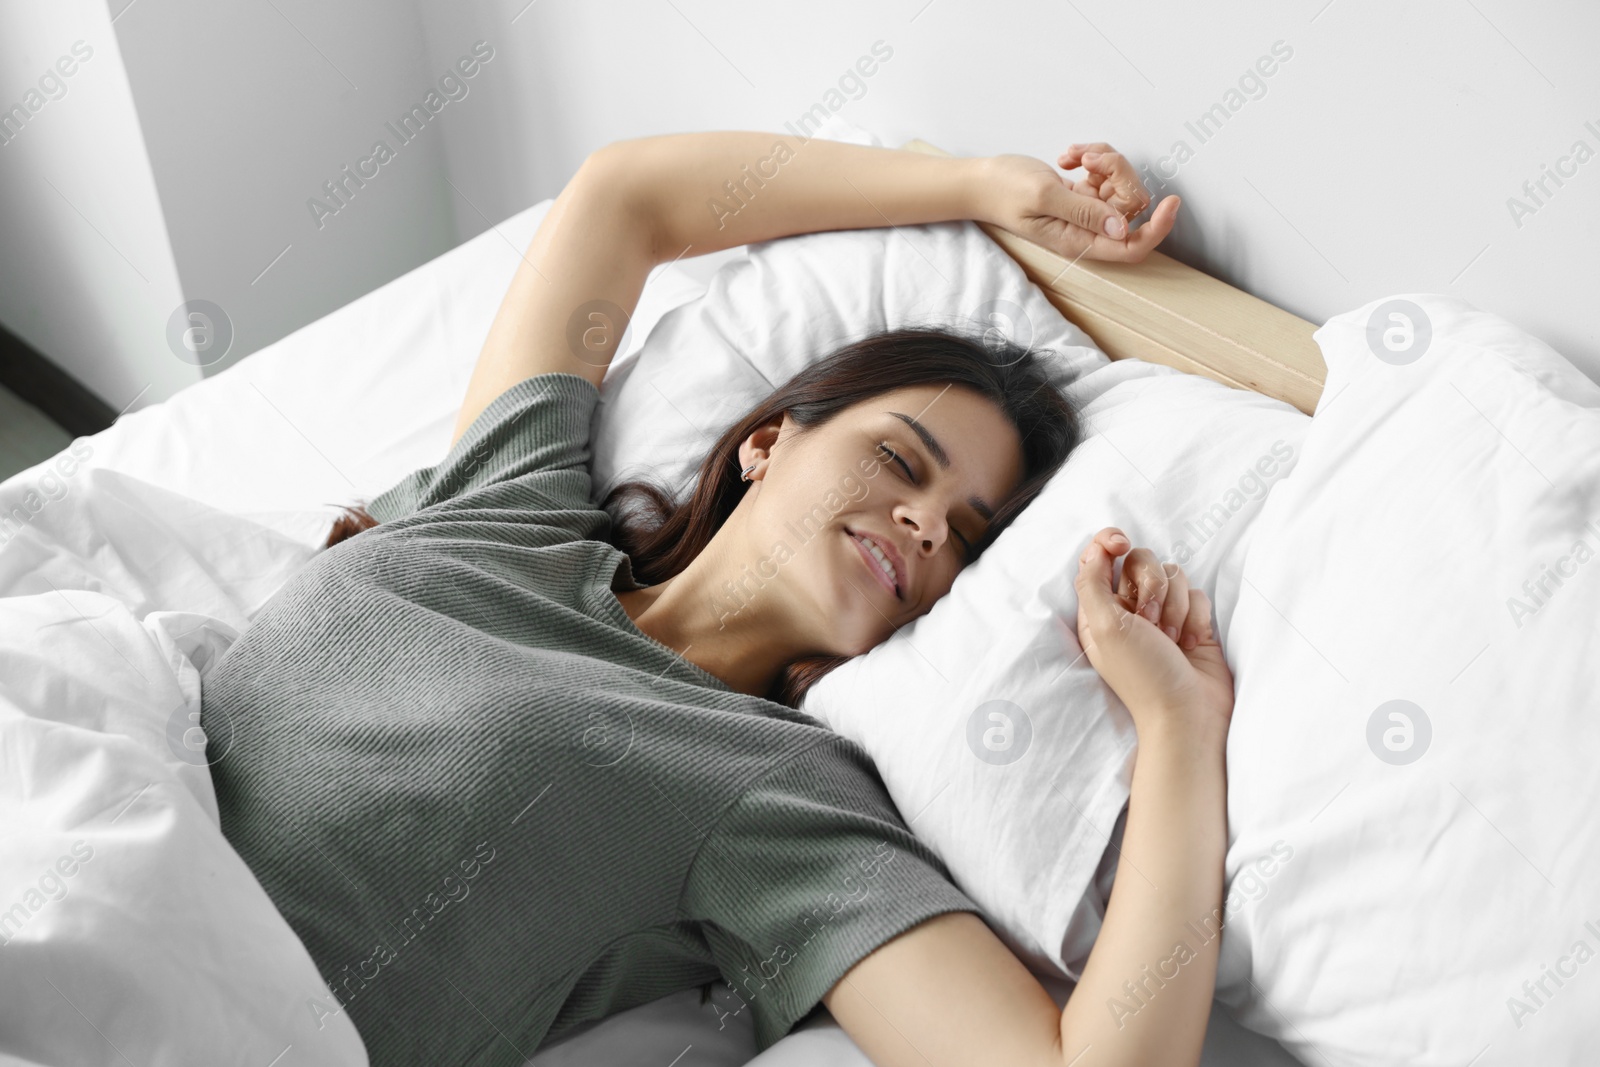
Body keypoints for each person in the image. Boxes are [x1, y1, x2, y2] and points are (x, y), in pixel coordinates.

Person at [201, 131, 1233, 1067]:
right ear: (767, 441)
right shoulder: (515, 496)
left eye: (962, 533)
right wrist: (977, 183)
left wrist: (1177, 726)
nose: (923, 523)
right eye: (894, 459)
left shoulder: (774, 797)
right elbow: (625, 197)